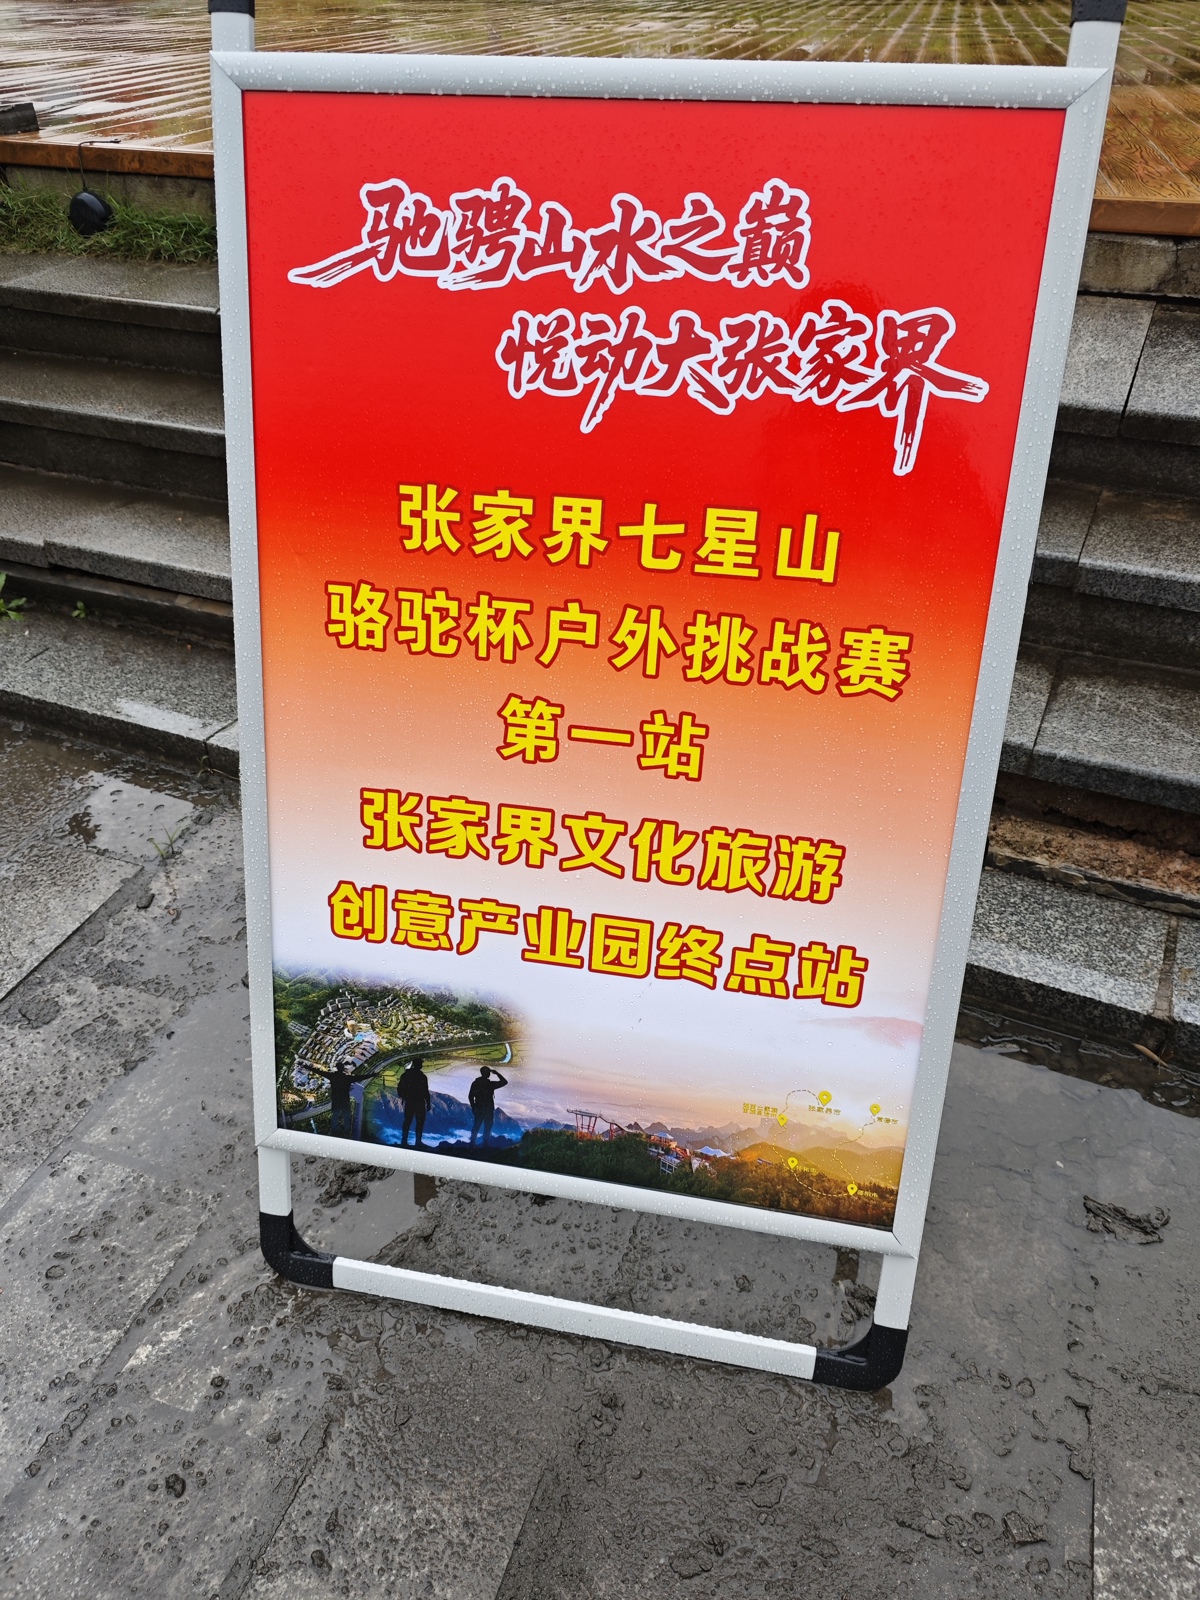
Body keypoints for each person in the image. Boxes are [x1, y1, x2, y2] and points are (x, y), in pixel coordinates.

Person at [396, 1056, 432, 1149]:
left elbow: (400, 1089)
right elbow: (425, 1091)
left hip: (411, 1102)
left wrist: (405, 1097)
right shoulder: (422, 1077)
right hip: (418, 1102)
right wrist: (428, 1103)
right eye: (420, 1063)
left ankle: (405, 1141)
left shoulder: (406, 1075)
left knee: (409, 1121)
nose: (421, 1065)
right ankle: (416, 1142)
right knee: (418, 1122)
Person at [469, 1064, 508, 1147]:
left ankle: (472, 1143)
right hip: (488, 1109)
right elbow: (504, 1082)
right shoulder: (490, 1084)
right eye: (489, 1072)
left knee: (476, 1126)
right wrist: (497, 1073)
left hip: (478, 1108)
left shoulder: (475, 1083)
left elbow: (470, 1096)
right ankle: (485, 1145)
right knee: (488, 1127)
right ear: (487, 1074)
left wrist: (474, 1107)